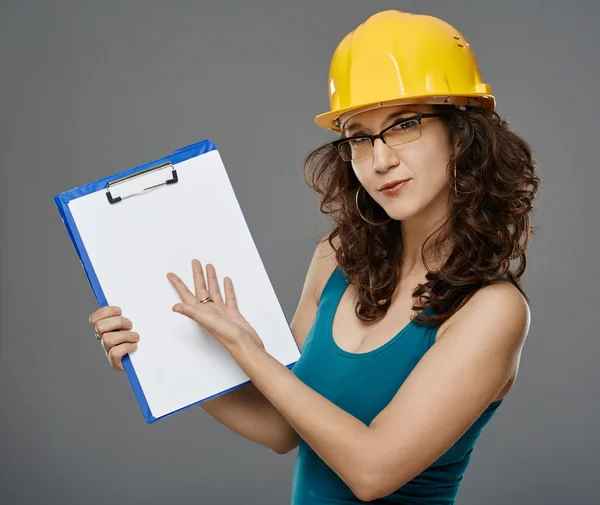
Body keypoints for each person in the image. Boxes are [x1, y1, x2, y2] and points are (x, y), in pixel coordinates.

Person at [88, 10, 539, 504]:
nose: (380, 159)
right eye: (357, 136)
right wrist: (155, 356)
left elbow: (371, 471)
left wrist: (248, 351)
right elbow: (282, 426)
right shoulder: (339, 259)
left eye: (404, 124)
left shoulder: (492, 310)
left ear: (463, 132)